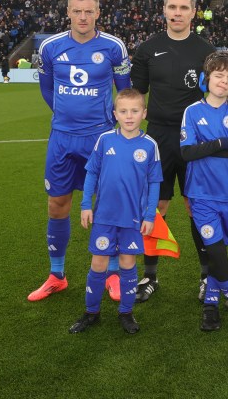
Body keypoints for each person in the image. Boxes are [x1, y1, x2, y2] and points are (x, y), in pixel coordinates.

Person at [28, 0, 132, 302]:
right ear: (69, 12)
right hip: (61, 138)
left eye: (89, 11)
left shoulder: (114, 47)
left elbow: (125, 92)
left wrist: (109, 124)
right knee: (57, 205)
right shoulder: (51, 46)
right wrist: (65, 115)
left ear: (98, 13)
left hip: (100, 139)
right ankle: (56, 275)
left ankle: (112, 273)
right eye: (77, 11)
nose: (83, 17)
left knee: (107, 206)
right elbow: (47, 88)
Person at [130, 0, 217, 303]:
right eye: (172, 7)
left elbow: (215, 97)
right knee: (157, 206)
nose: (177, 13)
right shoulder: (147, 49)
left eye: (183, 7)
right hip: (158, 137)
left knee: (197, 207)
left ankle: (208, 277)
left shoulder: (207, 51)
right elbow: (136, 97)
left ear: (194, 12)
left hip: (196, 138)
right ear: (164, 10)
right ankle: (149, 276)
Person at [69, 89, 161, 334]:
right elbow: (92, 173)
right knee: (98, 263)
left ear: (144, 113)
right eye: (123, 111)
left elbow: (154, 183)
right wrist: (86, 205)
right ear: (115, 114)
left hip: (132, 218)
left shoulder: (150, 146)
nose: (129, 116)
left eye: (134, 111)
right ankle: (91, 313)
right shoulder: (105, 140)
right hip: (104, 217)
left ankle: (126, 313)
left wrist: (150, 215)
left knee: (127, 263)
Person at [179, 51, 228, 330]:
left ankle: (211, 305)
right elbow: (187, 152)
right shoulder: (193, 111)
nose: (224, 81)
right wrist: (224, 141)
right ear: (206, 78)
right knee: (216, 251)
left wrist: (211, 145)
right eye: (219, 75)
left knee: (218, 251)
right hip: (201, 195)